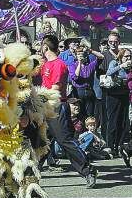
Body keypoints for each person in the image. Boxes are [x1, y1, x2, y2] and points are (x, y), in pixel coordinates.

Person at [39, 34, 97, 188]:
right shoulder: (45, 65)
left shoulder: (58, 64)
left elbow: (55, 89)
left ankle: (88, 170)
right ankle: (32, 174)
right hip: (45, 107)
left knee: (65, 141)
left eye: (41, 46)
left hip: (56, 107)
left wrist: (39, 95)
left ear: (45, 47)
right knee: (42, 142)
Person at [106, 47, 132, 157]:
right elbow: (109, 72)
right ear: (121, 56)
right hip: (113, 95)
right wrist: (121, 66)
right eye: (126, 56)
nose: (128, 58)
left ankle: (119, 145)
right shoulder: (114, 62)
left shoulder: (130, 67)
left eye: (129, 56)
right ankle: (111, 146)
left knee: (123, 122)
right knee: (113, 121)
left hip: (124, 94)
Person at [67, 45, 98, 117]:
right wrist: (80, 63)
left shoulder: (89, 65)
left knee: (90, 113)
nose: (80, 55)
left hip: (89, 90)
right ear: (75, 55)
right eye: (78, 54)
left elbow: (101, 57)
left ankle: (89, 127)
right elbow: (75, 77)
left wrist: (90, 51)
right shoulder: (72, 65)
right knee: (79, 113)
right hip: (78, 91)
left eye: (82, 54)